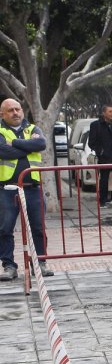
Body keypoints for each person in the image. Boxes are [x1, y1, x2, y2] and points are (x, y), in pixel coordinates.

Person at [0, 98, 53, 281]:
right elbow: (2, 152)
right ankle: (9, 266)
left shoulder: (32, 129)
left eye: (18, 109)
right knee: (5, 228)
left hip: (33, 189)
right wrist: (27, 146)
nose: (15, 113)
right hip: (7, 190)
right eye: (10, 110)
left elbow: (40, 145)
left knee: (38, 227)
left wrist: (13, 143)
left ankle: (40, 262)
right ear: (2, 114)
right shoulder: (0, 131)